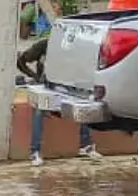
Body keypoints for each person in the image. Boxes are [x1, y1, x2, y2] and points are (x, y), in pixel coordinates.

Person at [18, 37, 97, 165]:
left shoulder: (76, 48)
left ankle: (86, 145)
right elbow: (21, 61)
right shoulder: (43, 45)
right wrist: (35, 77)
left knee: (84, 104)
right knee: (38, 109)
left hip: (68, 88)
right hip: (48, 87)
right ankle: (35, 151)